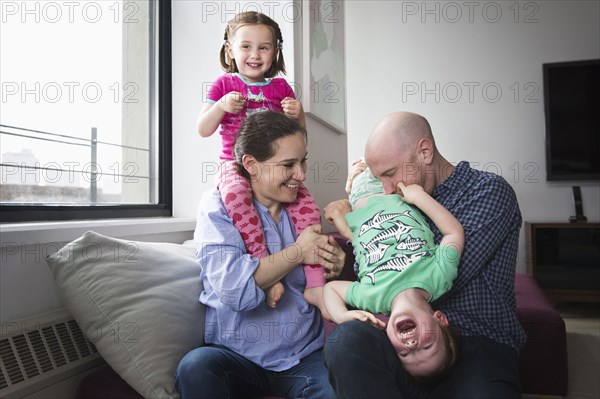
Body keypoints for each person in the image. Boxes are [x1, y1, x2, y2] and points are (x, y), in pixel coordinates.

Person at [323, 111, 526, 398]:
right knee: (345, 340)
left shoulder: (487, 191)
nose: (387, 189)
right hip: (402, 346)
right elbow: (374, 266)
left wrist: (371, 219)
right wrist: (360, 214)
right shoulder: (390, 201)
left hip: (476, 343)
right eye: (378, 179)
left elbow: (434, 277)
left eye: (390, 174)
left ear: (425, 152)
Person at [176, 111, 344, 399]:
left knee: (335, 391)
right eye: (288, 165)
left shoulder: (303, 212)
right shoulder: (216, 208)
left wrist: (334, 261)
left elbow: (318, 275)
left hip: (303, 356)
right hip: (236, 356)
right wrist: (298, 252)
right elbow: (235, 290)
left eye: (303, 161)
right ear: (251, 165)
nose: (301, 175)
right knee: (195, 367)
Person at [196, 11, 325, 311]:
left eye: (264, 47)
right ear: (229, 49)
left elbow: (298, 137)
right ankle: (266, 272)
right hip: (233, 164)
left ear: (276, 51)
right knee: (237, 199)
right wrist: (220, 106)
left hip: (270, 169)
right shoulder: (223, 84)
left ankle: (316, 284)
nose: (255, 54)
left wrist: (299, 114)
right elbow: (203, 128)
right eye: (246, 46)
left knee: (307, 206)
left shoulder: (280, 88)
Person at [324, 166, 463, 381]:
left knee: (360, 168)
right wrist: (420, 197)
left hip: (362, 196)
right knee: (385, 149)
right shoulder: (439, 278)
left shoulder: (372, 299)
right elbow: (453, 232)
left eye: (404, 354)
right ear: (440, 320)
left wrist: (341, 316)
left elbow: (330, 289)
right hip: (400, 191)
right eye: (427, 346)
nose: (411, 345)